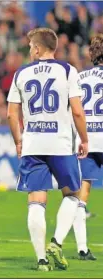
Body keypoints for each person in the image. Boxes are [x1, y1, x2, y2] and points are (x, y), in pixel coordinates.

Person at [7, 28, 88, 271]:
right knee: (73, 194)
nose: (30, 49)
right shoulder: (67, 70)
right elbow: (76, 111)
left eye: (31, 45)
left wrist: (18, 141)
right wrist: (84, 139)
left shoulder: (21, 73)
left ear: (39, 48)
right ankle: (57, 242)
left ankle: (41, 260)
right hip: (61, 143)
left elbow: (12, 113)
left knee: (36, 202)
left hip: (33, 145)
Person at [72, 34, 103, 261]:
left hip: (87, 139)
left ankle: (82, 248)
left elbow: (72, 109)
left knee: (82, 195)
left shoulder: (80, 77)